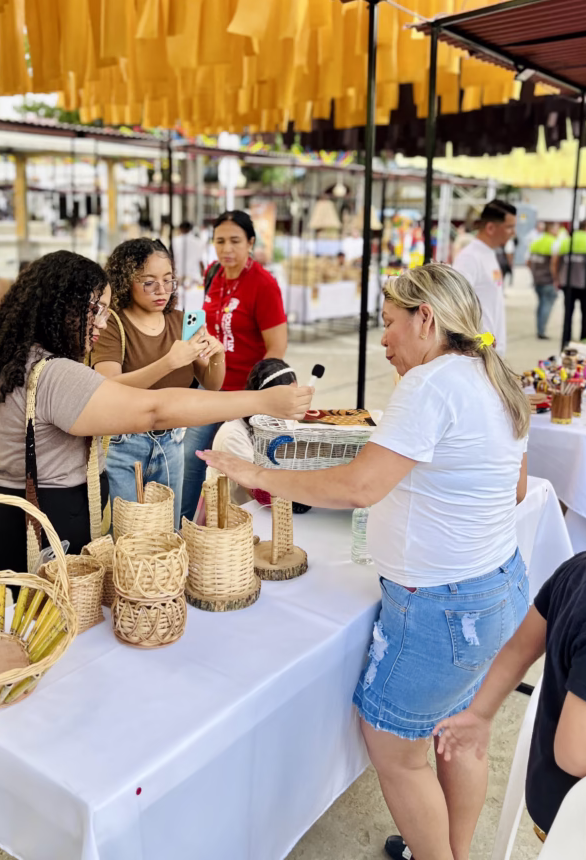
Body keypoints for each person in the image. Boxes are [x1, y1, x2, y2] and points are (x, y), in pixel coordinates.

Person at [200, 263, 530, 860]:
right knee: (460, 732)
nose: (383, 341)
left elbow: (359, 487)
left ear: (425, 319)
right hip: (498, 589)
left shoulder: (430, 385)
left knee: (395, 749)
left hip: (442, 606)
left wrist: (255, 473)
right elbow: (516, 492)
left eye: (389, 324)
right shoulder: (492, 375)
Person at [0, 250, 312, 575]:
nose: (100, 322)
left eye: (105, 309)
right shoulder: (53, 373)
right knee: (61, 625)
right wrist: (260, 401)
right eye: (94, 309)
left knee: (28, 618)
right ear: (59, 306)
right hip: (40, 523)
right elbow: (156, 410)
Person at [434, 551, 586, 843]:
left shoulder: (581, 568)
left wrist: (480, 713)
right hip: (578, 819)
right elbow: (575, 753)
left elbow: (519, 649)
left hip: (548, 795)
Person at [92, 238, 225, 528]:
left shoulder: (180, 322)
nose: (161, 290)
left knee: (167, 534)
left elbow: (211, 384)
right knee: (127, 537)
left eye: (168, 280)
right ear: (125, 281)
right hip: (123, 444)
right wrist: (169, 361)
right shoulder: (111, 323)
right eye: (149, 282)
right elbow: (107, 387)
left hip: (172, 441)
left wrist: (218, 355)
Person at [181, 210, 288, 522]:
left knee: (235, 471)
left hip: (245, 395)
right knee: (191, 458)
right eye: (220, 241)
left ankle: (238, 537)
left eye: (235, 241)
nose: (227, 248)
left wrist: (257, 400)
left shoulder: (264, 284)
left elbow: (276, 349)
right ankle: (183, 530)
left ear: (251, 242)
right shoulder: (212, 274)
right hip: (212, 388)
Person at [205, 358, 297, 505]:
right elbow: (259, 493)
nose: (295, 407)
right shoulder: (233, 435)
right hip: (240, 517)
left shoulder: (281, 423)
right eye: (289, 401)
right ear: (268, 399)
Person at [453, 199, 517, 357]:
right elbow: (454, 304)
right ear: (490, 228)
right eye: (509, 227)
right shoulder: (469, 258)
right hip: (478, 354)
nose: (513, 233)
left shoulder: (489, 253)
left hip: (491, 353)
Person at [552, 220, 586, 344]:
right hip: (585, 284)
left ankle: (566, 339)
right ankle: (584, 339)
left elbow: (555, 262)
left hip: (567, 283)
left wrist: (556, 278)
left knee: (568, 313)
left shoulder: (566, 241)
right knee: (585, 313)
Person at [527, 221, 559, 340]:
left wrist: (534, 274)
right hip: (547, 280)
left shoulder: (536, 241)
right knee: (547, 304)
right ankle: (542, 331)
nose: (557, 232)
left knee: (541, 304)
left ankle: (539, 328)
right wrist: (556, 279)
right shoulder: (553, 243)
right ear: (550, 230)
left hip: (537, 279)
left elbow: (528, 261)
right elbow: (553, 264)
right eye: (556, 229)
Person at [171, 221, 205, 310]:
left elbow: (171, 260)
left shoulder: (175, 241)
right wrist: (204, 276)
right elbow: (201, 262)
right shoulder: (199, 242)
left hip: (178, 277)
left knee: (178, 307)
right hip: (194, 279)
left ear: (180, 229)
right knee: (193, 308)